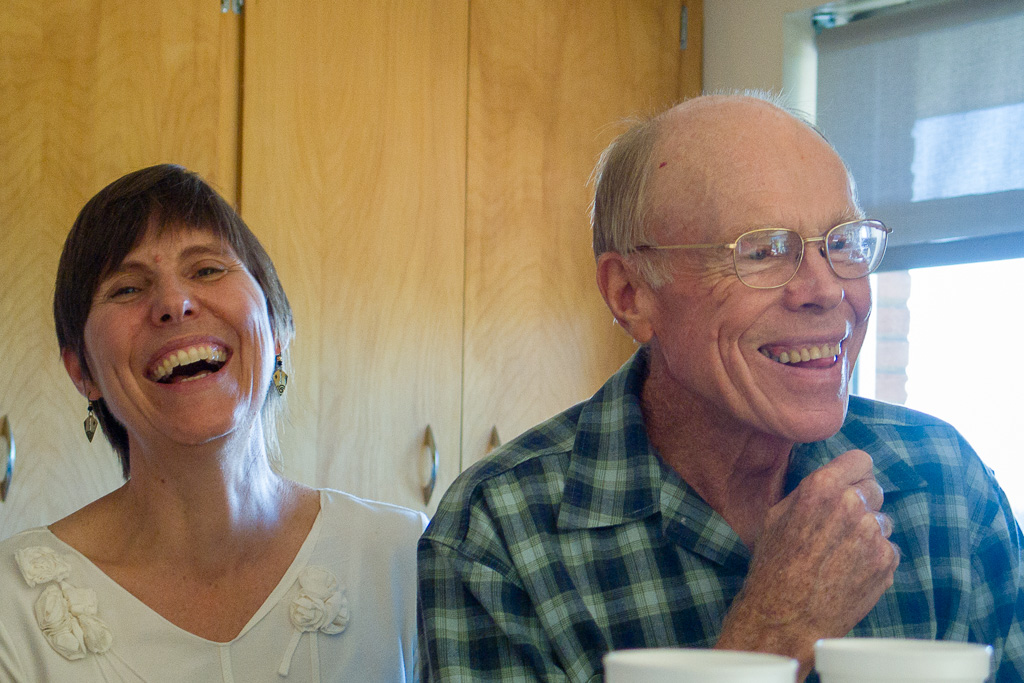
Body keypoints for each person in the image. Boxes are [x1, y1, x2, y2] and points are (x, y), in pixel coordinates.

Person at [417, 93, 1024, 682]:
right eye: (762, 251)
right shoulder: (497, 537)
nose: (826, 289)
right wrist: (774, 632)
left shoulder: (943, 482)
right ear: (631, 295)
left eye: (843, 243)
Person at [0, 164, 426, 681]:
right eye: (128, 289)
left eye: (206, 270)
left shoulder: (408, 559)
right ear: (82, 372)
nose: (174, 304)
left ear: (278, 328)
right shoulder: (14, 606)